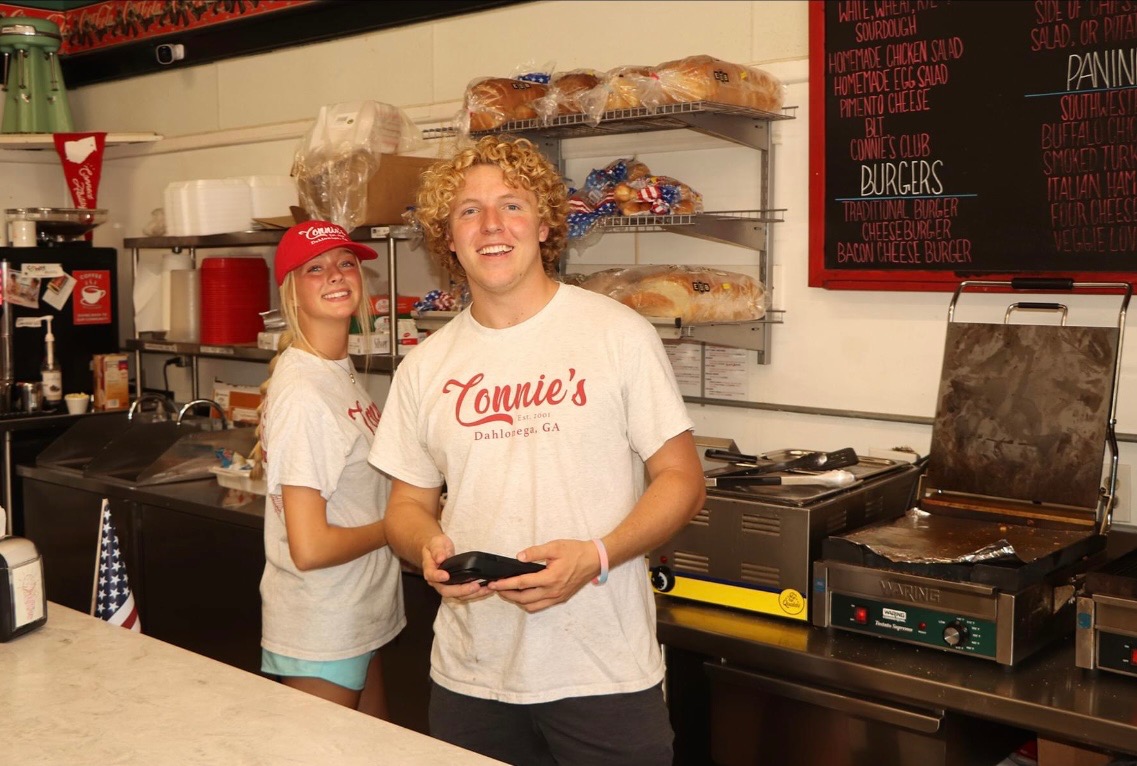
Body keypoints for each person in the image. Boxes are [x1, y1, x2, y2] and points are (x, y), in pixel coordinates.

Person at [369, 135, 706, 764]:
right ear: (447, 236)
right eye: (468, 210)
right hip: (472, 677)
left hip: (602, 673)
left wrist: (596, 556)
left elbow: (682, 479)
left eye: (512, 206)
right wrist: (427, 549)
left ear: (546, 223)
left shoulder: (617, 335)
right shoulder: (426, 366)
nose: (491, 225)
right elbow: (405, 508)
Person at [251, 220, 405, 717]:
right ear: (290, 290)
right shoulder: (304, 393)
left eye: (346, 263)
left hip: (357, 613)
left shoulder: (336, 373)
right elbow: (311, 547)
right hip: (323, 626)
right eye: (315, 269)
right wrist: (399, 525)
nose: (336, 275)